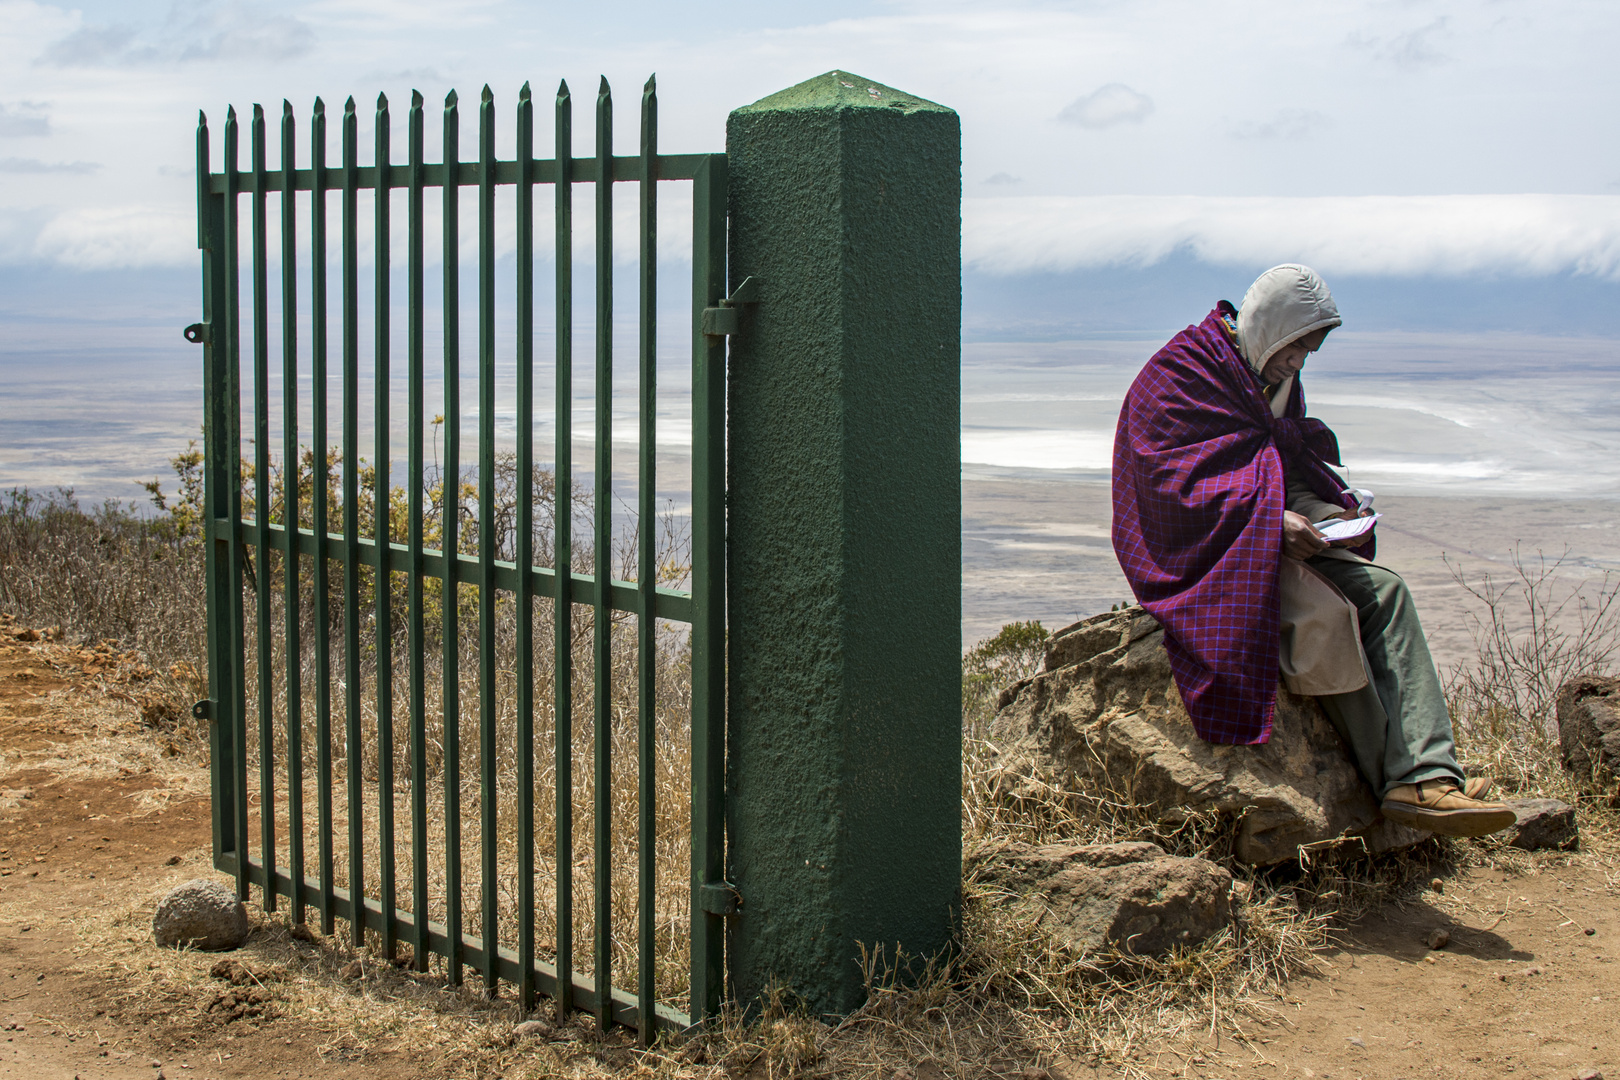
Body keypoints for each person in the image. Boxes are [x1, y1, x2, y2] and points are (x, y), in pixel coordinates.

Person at [1110, 264, 1514, 838]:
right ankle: (1404, 786)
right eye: (1294, 346)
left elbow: (1278, 465)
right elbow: (1169, 486)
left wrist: (1328, 514)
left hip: (1256, 537)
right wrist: (1271, 521)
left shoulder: (1268, 378)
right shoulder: (1181, 373)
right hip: (1199, 557)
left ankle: (1430, 772)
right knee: (1327, 620)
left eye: (1308, 350)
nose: (1297, 362)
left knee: (1387, 591)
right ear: (1268, 325)